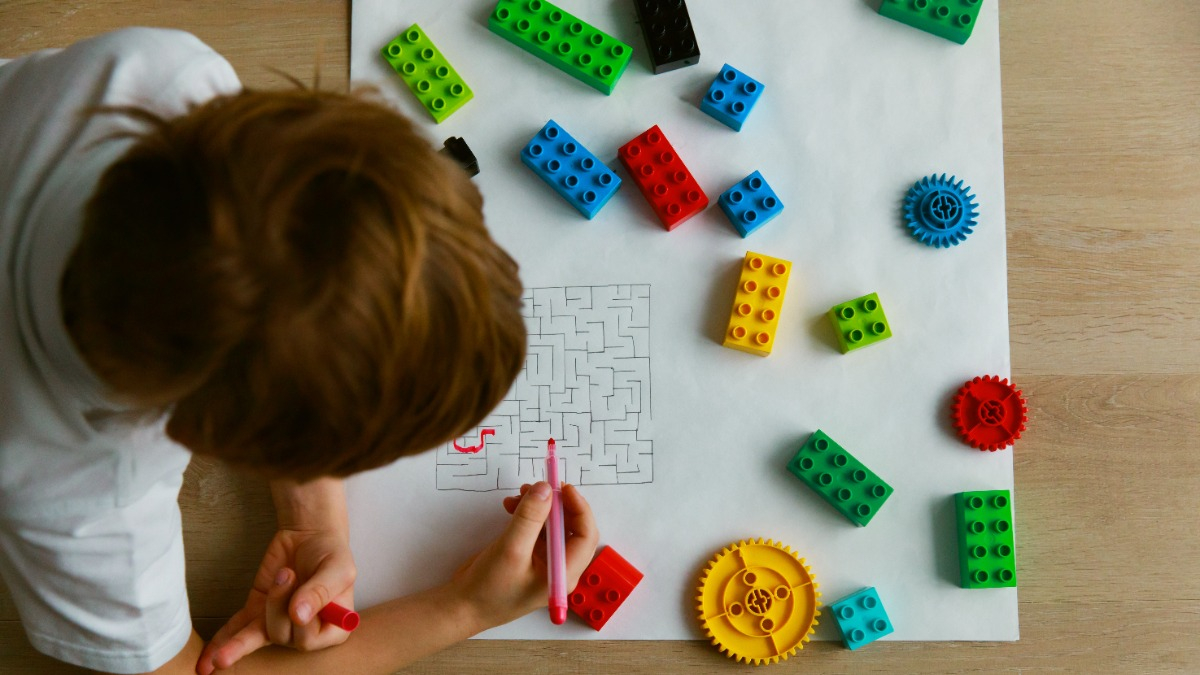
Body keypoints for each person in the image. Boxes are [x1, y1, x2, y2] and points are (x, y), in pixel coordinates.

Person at [0, 27, 599, 674]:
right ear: (223, 443)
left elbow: (269, 279)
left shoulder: (167, 77)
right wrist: (465, 607)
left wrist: (316, 518)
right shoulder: (80, 503)